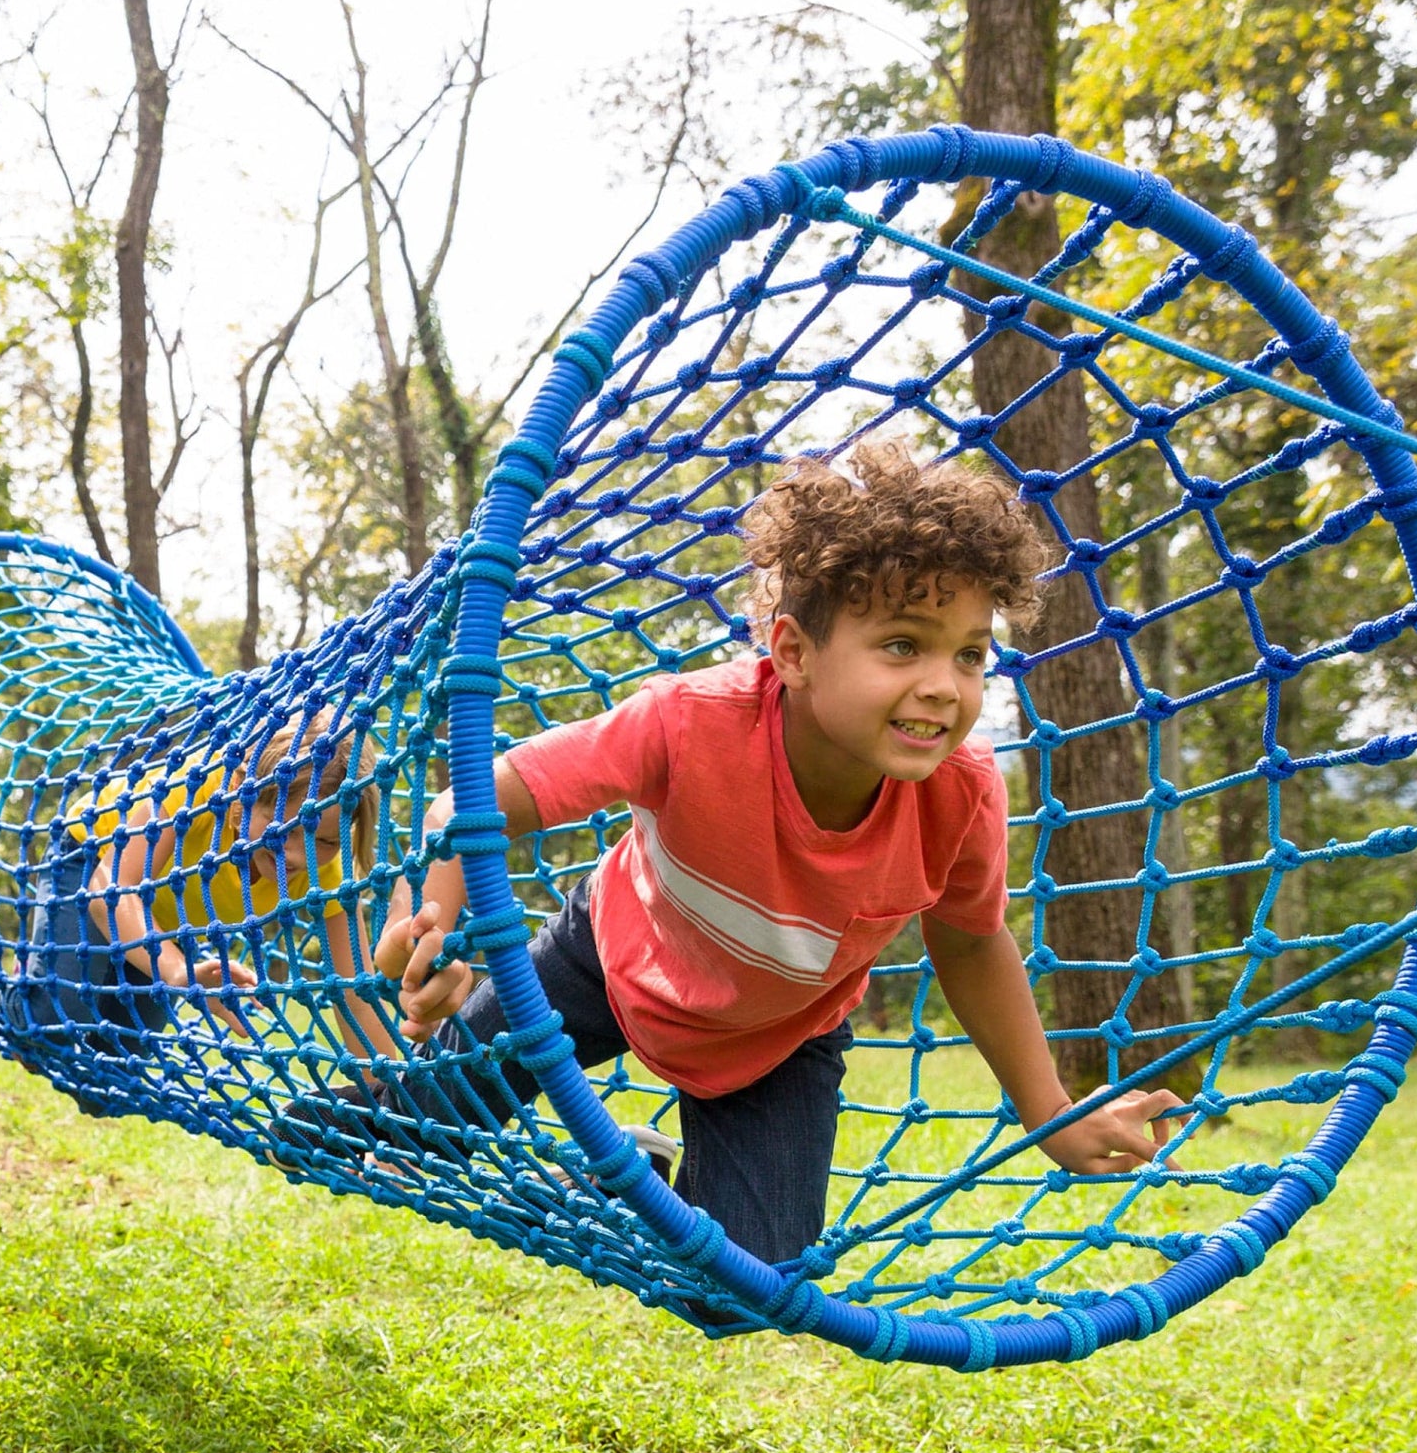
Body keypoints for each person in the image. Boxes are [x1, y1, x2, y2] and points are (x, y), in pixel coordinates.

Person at [374, 438, 1183, 1261]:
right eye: (904, 644)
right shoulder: (687, 723)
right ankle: (373, 1112)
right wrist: (432, 923)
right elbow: (471, 799)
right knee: (408, 1129)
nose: (946, 684)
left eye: (970, 654)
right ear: (793, 652)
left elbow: (973, 942)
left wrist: (1049, 1112)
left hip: (779, 1036)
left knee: (742, 1279)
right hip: (609, 959)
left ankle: (625, 1190)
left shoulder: (962, 792)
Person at [1, 707, 392, 1093]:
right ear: (244, 795)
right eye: (285, 829)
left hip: (163, 918)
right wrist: (176, 970)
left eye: (323, 841)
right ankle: (27, 983)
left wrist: (391, 1100)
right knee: (51, 1019)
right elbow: (110, 889)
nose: (297, 855)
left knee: (116, 1076)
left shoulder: (329, 873)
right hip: (91, 862)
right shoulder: (199, 788)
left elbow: (354, 993)